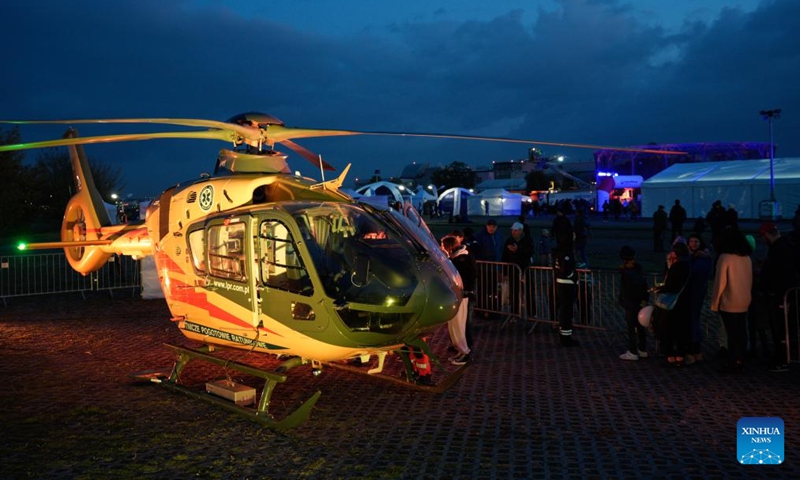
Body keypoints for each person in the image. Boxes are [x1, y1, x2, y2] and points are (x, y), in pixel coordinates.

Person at [710, 229, 753, 374]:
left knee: (731, 332)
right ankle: (740, 359)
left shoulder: (725, 257)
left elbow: (720, 282)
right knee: (741, 330)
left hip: (729, 300)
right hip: (744, 299)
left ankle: (733, 360)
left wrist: (715, 302)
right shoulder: (746, 257)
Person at [759, 222, 799, 372]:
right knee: (786, 327)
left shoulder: (777, 249)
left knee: (780, 328)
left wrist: (765, 283)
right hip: (787, 292)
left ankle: (782, 359)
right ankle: (784, 356)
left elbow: (772, 272)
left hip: (779, 294)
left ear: (766, 235)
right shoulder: (788, 246)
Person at [653, 242, 691, 366]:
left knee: (668, 328)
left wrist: (659, 289)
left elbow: (671, 285)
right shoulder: (688, 265)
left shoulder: (676, 266)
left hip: (672, 302)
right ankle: (680, 355)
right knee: (680, 329)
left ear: (675, 253)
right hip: (684, 300)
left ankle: (670, 355)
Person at [441, 236, 476, 365]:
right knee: (455, 324)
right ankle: (461, 350)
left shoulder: (461, 259)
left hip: (461, 295)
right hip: (459, 294)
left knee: (459, 324)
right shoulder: (460, 257)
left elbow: (465, 276)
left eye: (443, 245)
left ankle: (464, 351)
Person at [618, 246, 650, 360]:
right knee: (640, 326)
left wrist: (623, 301)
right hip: (641, 301)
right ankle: (642, 349)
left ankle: (633, 351)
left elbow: (627, 290)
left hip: (631, 302)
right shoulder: (638, 269)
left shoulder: (626, 273)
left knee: (631, 327)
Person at [686, 234, 712, 363]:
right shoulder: (695, 256)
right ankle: (695, 349)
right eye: (691, 241)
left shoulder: (702, 257)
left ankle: (694, 349)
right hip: (693, 291)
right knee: (692, 319)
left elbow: (692, 272)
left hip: (696, 291)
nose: (693, 244)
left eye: (696, 241)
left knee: (693, 319)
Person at [501, 222, 533, 317]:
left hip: (525, 269)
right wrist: (504, 272)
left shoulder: (527, 240)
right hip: (513, 270)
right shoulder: (509, 241)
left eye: (515, 230)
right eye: (512, 230)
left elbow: (530, 252)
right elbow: (505, 256)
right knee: (513, 292)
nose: (513, 232)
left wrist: (517, 250)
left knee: (528, 292)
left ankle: (532, 313)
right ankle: (514, 313)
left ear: (521, 231)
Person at [553, 239, 579, 347]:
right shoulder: (566, 254)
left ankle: (564, 335)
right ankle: (566, 338)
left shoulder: (558, 253)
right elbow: (566, 270)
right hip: (566, 286)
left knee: (564, 311)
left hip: (561, 285)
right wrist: (574, 276)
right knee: (566, 312)